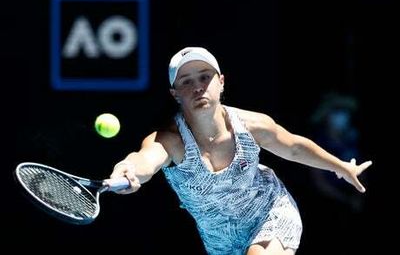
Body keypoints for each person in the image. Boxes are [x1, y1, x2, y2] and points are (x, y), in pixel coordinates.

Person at [110, 47, 372, 255]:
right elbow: (145, 159)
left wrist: (340, 166)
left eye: (205, 77)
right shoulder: (171, 141)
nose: (198, 86)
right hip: (221, 244)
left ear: (221, 82)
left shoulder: (252, 125)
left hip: (270, 213)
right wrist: (129, 168)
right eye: (186, 81)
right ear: (175, 93)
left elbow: (292, 147)